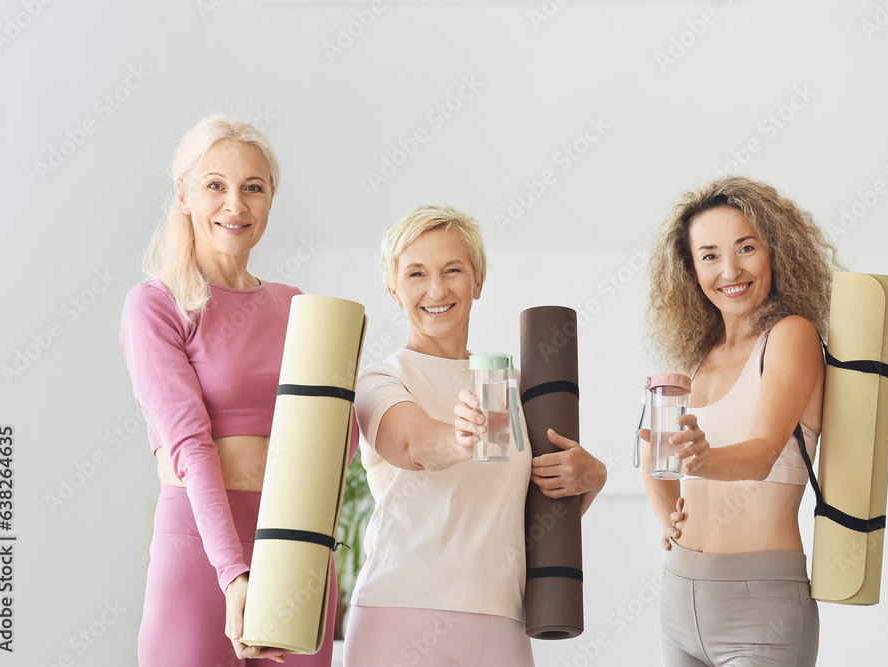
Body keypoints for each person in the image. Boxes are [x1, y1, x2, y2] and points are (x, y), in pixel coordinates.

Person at [120, 115, 348, 666]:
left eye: (253, 188)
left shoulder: (297, 306)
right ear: (184, 194)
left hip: (297, 556)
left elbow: (339, 442)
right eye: (215, 185)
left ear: (271, 198)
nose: (235, 205)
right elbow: (192, 448)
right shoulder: (156, 305)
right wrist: (234, 574)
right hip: (201, 554)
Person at [342, 204, 607, 666]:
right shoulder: (380, 380)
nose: (437, 289)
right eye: (416, 274)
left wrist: (591, 478)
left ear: (477, 281)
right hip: (398, 612)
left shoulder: (519, 390)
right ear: (393, 288)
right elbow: (412, 444)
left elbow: (535, 516)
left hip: (499, 615)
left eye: (453, 270)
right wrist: (461, 439)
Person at [641, 176, 842, 666]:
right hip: (679, 593)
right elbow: (656, 456)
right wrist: (667, 513)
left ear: (776, 251)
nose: (729, 269)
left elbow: (761, 455)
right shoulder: (695, 355)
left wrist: (702, 458)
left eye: (745, 248)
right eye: (709, 255)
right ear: (691, 269)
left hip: (761, 602)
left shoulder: (791, 336)